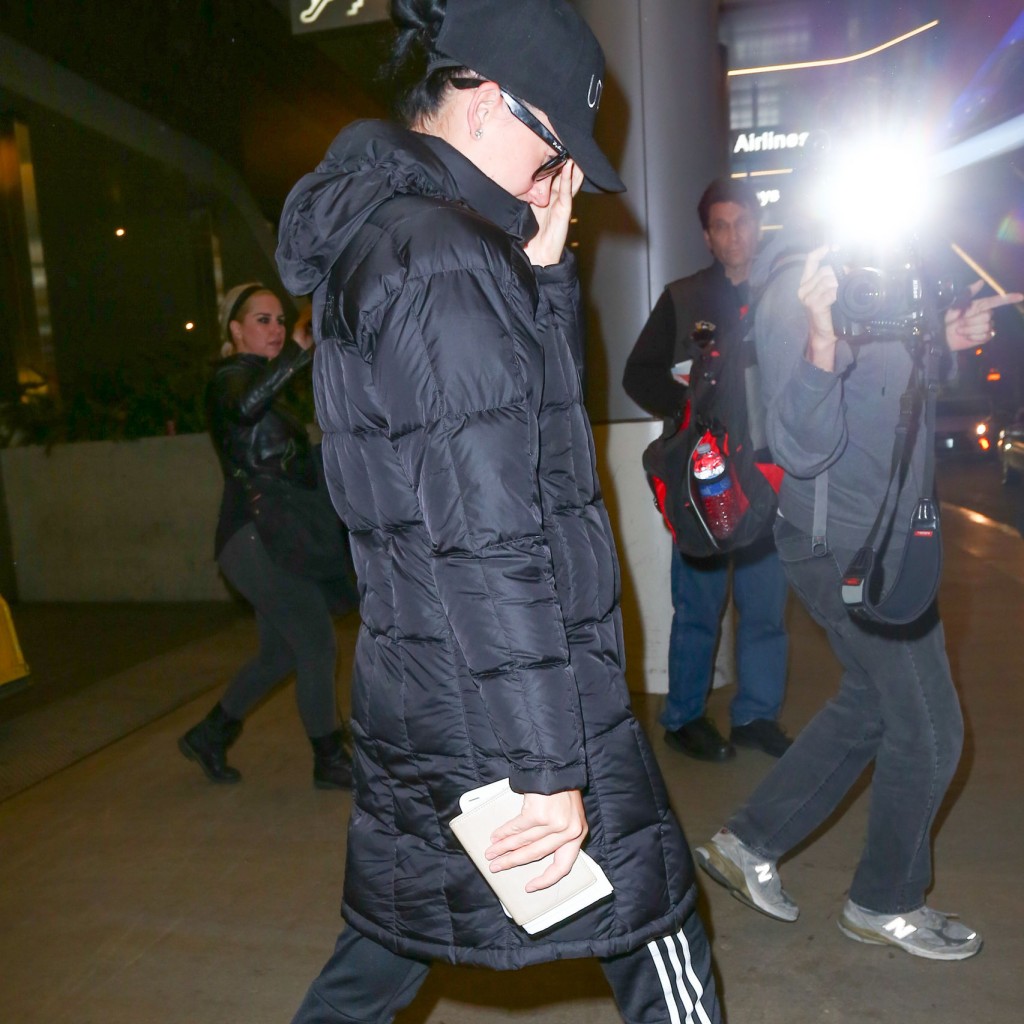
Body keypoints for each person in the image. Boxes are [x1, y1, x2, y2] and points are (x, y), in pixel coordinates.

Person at [274, 1, 722, 1021]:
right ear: (481, 97)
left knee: (379, 962)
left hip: (433, 682)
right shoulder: (443, 256)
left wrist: (547, 279)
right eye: (553, 142)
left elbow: (520, 440)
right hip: (513, 699)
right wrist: (548, 762)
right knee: (659, 931)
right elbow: (492, 531)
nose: (557, 174)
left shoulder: (405, 237)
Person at [695, 224, 1023, 961]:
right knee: (931, 730)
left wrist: (945, 336)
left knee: (873, 704)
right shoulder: (798, 290)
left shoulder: (877, 276)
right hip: (844, 546)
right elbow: (801, 446)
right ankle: (884, 901)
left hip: (889, 537)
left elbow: (889, 387)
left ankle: (747, 842)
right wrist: (819, 335)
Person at [623, 178, 791, 762]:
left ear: (757, 226)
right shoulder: (685, 297)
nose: (733, 235)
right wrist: (686, 410)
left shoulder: (783, 293)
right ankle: (684, 717)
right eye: (721, 226)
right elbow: (639, 374)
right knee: (698, 605)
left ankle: (756, 716)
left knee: (765, 608)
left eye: (741, 223)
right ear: (707, 236)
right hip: (706, 479)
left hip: (767, 476)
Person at [177, 282, 354, 790]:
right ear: (235, 330)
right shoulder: (229, 381)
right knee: (316, 643)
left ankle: (210, 735)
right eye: (263, 320)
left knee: (280, 653)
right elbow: (243, 409)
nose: (276, 329)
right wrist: (297, 353)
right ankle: (329, 758)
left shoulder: (257, 381)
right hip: (254, 537)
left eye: (280, 321)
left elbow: (288, 464)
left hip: (269, 533)